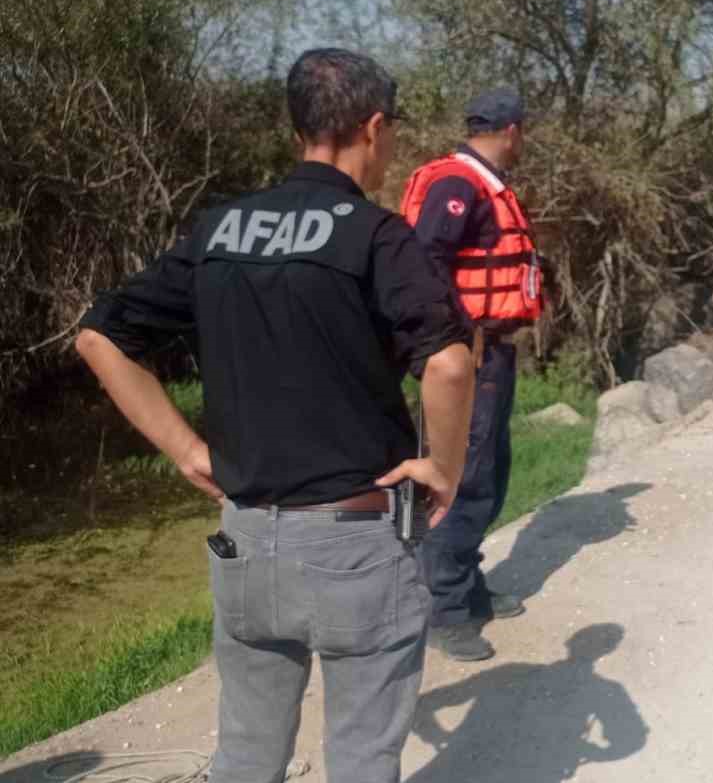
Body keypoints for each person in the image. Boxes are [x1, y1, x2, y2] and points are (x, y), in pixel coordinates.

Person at [75, 48, 476, 783]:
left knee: (246, 758)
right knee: (360, 759)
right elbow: (450, 362)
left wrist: (183, 445)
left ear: (298, 128)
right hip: (356, 541)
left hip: (245, 544)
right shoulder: (377, 235)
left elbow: (99, 336)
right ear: (374, 127)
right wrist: (442, 466)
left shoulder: (219, 229)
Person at [399, 86, 545, 662]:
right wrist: (465, 334)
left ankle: (468, 586)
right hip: (470, 357)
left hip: (489, 351)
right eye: (523, 131)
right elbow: (424, 263)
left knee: (488, 473)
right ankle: (446, 610)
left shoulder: (479, 180)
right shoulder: (459, 183)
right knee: (462, 478)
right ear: (511, 130)